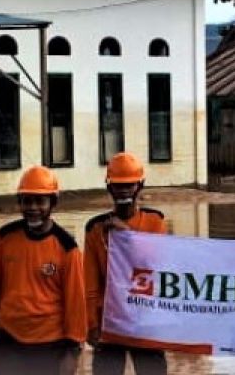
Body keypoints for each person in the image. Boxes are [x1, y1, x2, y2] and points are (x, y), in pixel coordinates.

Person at [0, 165, 86, 375]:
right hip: (8, 340)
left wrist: (73, 350)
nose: (33, 207)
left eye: (40, 201)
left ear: (52, 203)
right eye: (27, 201)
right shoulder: (4, 238)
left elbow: (76, 304)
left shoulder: (67, 248)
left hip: (49, 346)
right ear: (20, 203)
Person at [84, 151, 169, 375]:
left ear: (139, 186)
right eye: (119, 186)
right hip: (110, 322)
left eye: (129, 185)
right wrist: (91, 325)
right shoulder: (95, 229)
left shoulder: (155, 222)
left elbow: (157, 267)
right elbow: (91, 284)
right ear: (109, 188)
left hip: (146, 320)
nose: (124, 191)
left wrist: (127, 234)